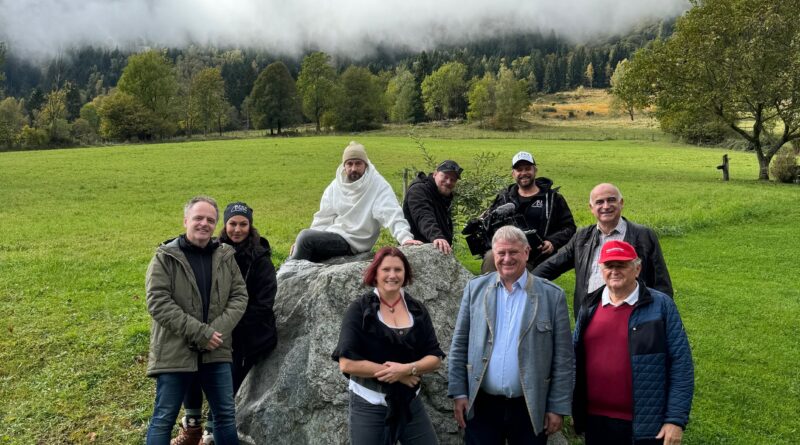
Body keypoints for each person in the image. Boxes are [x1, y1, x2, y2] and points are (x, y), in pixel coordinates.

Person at [448, 225, 574, 444]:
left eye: (513, 252)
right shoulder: (474, 290)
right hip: (482, 404)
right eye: (501, 253)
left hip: (530, 405)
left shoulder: (552, 296)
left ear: (526, 253)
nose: (507, 258)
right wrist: (459, 393)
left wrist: (557, 406)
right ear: (493, 255)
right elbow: (459, 345)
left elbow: (563, 358)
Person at [171, 202, 277, 445]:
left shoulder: (260, 258)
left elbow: (263, 304)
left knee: (225, 377)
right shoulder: (213, 250)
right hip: (214, 329)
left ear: (250, 227)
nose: (237, 229)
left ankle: (210, 431)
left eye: (243, 224)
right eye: (232, 223)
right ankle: (192, 427)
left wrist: (225, 328)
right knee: (191, 363)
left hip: (248, 334)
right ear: (225, 225)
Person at [145, 196, 248, 445]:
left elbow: (239, 297)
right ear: (186, 221)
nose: (204, 224)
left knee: (225, 416)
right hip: (174, 351)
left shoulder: (225, 256)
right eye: (198, 218)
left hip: (217, 350)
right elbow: (158, 301)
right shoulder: (165, 257)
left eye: (210, 220)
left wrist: (213, 333)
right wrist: (200, 333)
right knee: (164, 418)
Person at [572, 240, 694, 444]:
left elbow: (681, 365)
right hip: (595, 422)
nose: (614, 271)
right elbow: (574, 359)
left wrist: (675, 420)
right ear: (601, 270)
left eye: (622, 265)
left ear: (637, 268)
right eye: (609, 266)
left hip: (644, 425)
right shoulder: (590, 305)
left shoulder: (661, 306)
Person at [332, 247, 445, 445]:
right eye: (386, 270)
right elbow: (347, 364)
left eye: (398, 270)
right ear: (375, 273)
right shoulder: (359, 309)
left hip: (409, 401)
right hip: (369, 402)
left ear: (405, 274)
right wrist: (398, 375)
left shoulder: (417, 309)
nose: (392, 275)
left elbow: (435, 358)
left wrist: (407, 369)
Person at [533, 183, 673, 318]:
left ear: (621, 203)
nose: (606, 206)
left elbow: (661, 281)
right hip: (591, 316)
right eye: (599, 202)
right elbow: (553, 265)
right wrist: (525, 281)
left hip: (633, 316)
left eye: (611, 200)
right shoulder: (582, 237)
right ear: (591, 208)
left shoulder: (643, 235)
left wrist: (662, 317)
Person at [290, 141, 422, 263]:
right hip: (333, 236)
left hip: (355, 242)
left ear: (366, 164)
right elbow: (323, 218)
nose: (353, 168)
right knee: (303, 246)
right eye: (349, 164)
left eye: (358, 163)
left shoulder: (377, 185)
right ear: (344, 166)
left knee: (305, 237)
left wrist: (405, 238)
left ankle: (286, 277)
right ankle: (282, 279)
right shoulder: (335, 186)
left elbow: (391, 214)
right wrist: (301, 243)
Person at [480, 151, 575, 272]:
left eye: (527, 169)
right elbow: (490, 224)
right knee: (490, 257)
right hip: (507, 250)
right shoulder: (504, 198)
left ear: (535, 170)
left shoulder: (552, 199)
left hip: (537, 256)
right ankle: (491, 290)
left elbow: (569, 227)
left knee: (518, 276)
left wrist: (552, 242)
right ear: (513, 174)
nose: (524, 173)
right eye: (519, 170)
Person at [402, 160, 463, 254]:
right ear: (435, 174)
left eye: (453, 180)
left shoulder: (442, 196)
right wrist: (437, 236)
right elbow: (423, 216)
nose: (448, 182)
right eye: (445, 177)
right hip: (416, 251)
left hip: (435, 251)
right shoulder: (419, 190)